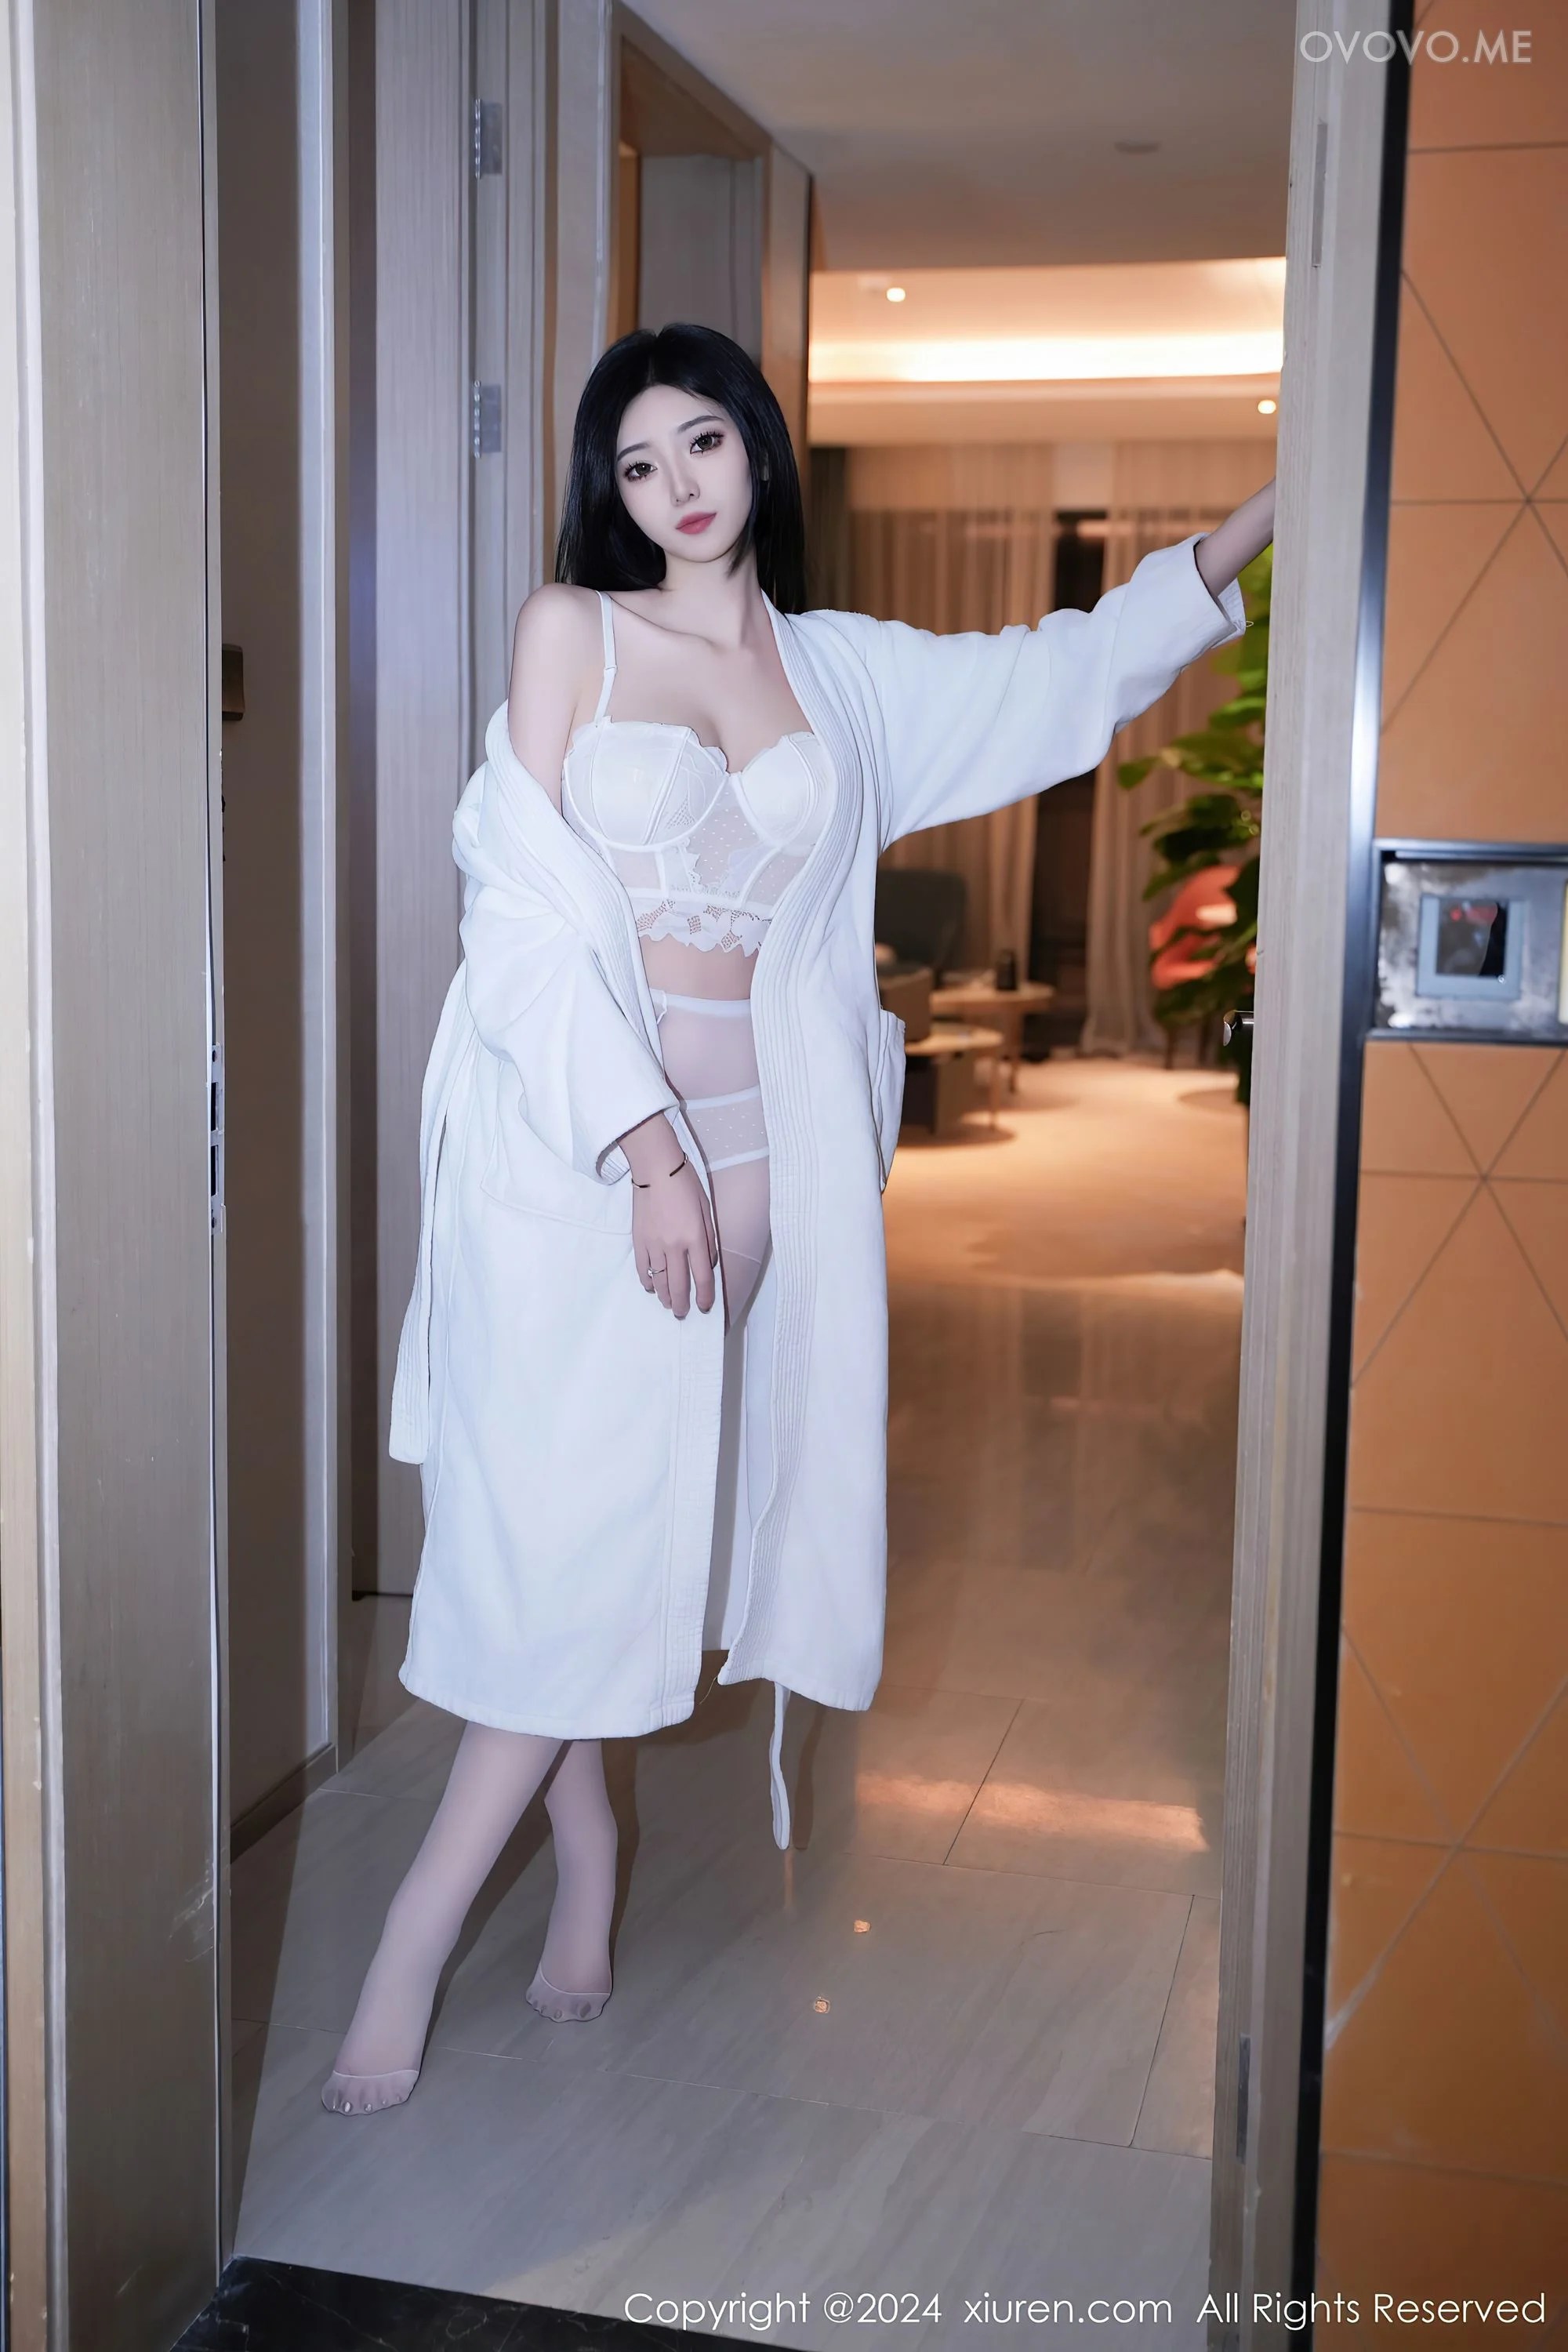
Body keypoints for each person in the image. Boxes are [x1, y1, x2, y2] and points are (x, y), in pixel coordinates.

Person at [323, 322, 1274, 2114]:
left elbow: (1056, 669)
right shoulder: (572, 632)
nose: (676, 487)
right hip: (573, 1161)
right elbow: (513, 914)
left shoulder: (839, 672)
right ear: (611, 495)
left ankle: (548, 1875)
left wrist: (1259, 518)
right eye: (636, 464)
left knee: (618, 1526)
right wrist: (642, 1152)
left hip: (760, 1162)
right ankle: (455, 1920)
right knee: (551, 1532)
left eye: (701, 442)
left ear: (756, 448)